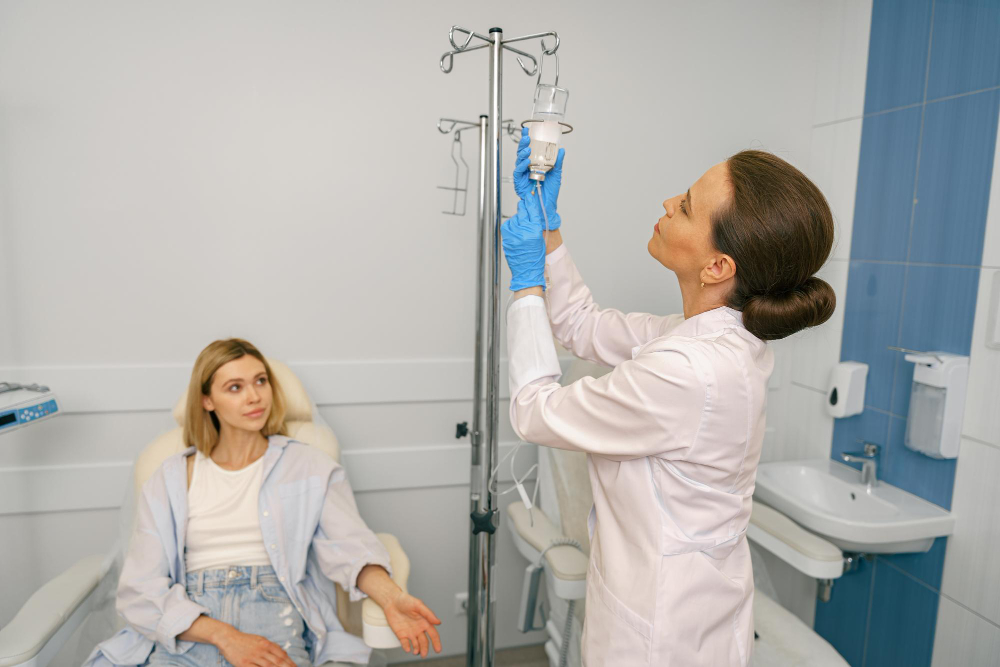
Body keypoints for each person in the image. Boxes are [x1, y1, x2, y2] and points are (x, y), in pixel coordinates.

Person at [501, 133, 835, 666]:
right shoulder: (713, 337)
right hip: (691, 607)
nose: (666, 204)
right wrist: (547, 229)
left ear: (717, 267)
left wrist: (525, 288)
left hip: (659, 631)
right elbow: (583, 327)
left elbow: (532, 410)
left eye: (684, 206)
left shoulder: (688, 372)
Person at [84, 339, 442, 666]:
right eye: (235, 388)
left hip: (273, 615)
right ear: (207, 401)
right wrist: (224, 636)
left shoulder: (309, 466)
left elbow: (350, 548)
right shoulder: (168, 478)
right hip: (191, 624)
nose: (255, 396)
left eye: (260, 381)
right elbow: (140, 588)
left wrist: (391, 596)